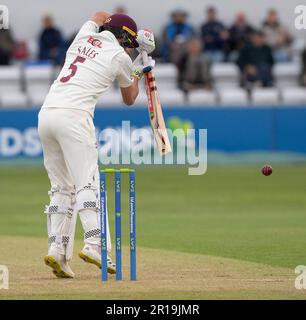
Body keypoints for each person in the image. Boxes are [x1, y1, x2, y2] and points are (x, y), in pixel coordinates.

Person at [38, 12, 155, 278]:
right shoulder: (119, 57)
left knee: (61, 187)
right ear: (124, 36)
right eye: (130, 42)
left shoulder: (84, 35)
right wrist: (140, 62)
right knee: (87, 183)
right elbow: (130, 97)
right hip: (74, 116)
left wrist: (135, 52)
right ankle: (95, 245)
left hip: (46, 114)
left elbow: (99, 15)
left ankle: (57, 251)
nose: (130, 47)